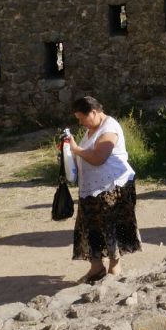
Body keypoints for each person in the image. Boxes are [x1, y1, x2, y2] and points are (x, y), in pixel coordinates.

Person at [62, 96, 141, 282]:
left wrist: (75, 149)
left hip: (112, 189)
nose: (80, 122)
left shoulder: (109, 128)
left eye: (82, 118)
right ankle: (96, 268)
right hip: (91, 189)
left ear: (95, 112)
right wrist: (68, 152)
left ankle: (115, 269)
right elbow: (86, 155)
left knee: (110, 227)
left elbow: (98, 157)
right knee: (91, 228)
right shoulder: (92, 129)